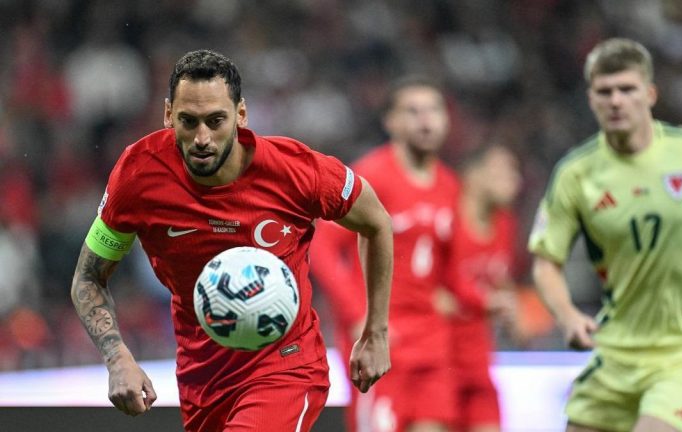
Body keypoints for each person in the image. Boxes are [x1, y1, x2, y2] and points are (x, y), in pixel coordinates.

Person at [69, 49, 393, 432]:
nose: (201, 138)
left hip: (285, 368)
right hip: (202, 378)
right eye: (188, 121)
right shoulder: (138, 175)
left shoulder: (296, 170)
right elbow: (88, 277)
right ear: (168, 114)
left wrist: (376, 332)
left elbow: (376, 222)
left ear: (241, 114)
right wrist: (117, 358)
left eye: (215, 121)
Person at [527, 37, 682, 432]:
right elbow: (545, 263)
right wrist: (567, 316)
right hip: (618, 347)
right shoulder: (575, 175)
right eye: (605, 92)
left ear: (650, 94)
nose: (616, 101)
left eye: (627, 89)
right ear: (591, 99)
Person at [310, 76, 460, 432]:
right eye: (413, 111)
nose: (425, 121)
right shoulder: (370, 176)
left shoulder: (450, 185)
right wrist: (357, 315)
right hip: (381, 337)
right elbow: (322, 246)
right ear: (390, 121)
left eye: (433, 110)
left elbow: (449, 261)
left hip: (432, 341)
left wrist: (453, 294)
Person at [444, 143, 524, 432]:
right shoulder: (444, 219)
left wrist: (513, 313)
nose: (515, 179)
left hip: (478, 360)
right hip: (440, 361)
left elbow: (500, 280)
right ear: (473, 175)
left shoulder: (504, 223)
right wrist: (485, 302)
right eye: (504, 170)